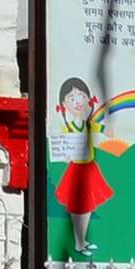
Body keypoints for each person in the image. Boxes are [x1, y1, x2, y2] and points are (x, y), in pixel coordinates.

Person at [53, 77, 112, 256]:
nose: (77, 101)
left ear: (88, 99)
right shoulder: (68, 128)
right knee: (78, 208)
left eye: (81, 95)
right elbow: (61, 147)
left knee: (87, 208)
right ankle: (78, 243)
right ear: (64, 104)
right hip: (76, 172)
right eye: (72, 98)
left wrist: (107, 131)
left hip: (89, 169)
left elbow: (102, 129)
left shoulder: (88, 125)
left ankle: (82, 241)